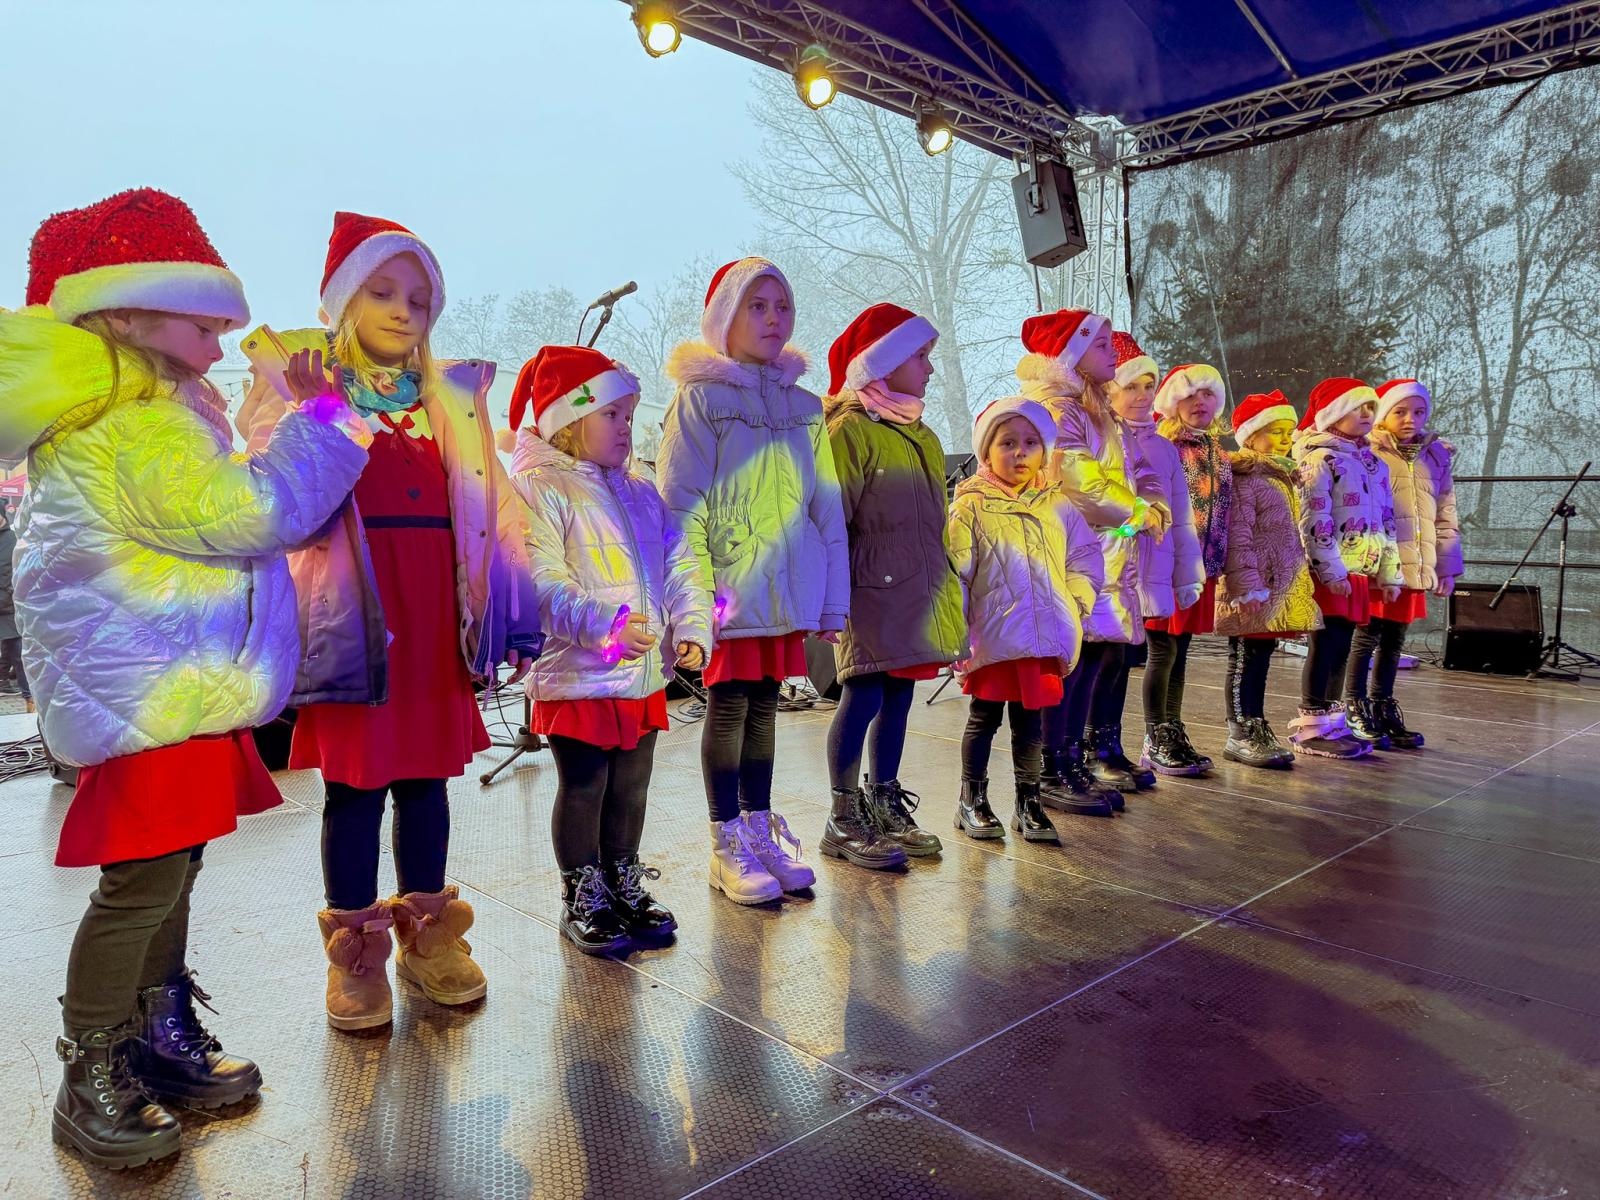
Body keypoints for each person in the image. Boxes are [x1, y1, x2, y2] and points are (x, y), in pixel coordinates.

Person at [0, 189, 368, 1169]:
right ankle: (93, 1071)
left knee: (174, 865)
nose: (222, 336)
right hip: (145, 692)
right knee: (144, 880)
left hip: (167, 684)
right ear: (123, 314)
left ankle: (154, 1036)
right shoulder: (129, 417)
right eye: (201, 318)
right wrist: (323, 413)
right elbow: (247, 513)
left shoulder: (147, 405)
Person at [237, 211, 541, 1030]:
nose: (404, 310)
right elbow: (283, 505)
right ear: (343, 301)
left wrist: (510, 609)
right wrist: (315, 408)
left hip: (435, 614)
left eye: (419, 297)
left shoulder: (450, 401)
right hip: (356, 618)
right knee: (356, 790)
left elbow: (493, 509)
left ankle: (430, 939)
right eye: (383, 291)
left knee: (427, 783)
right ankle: (356, 955)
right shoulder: (295, 389)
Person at [656, 257, 858, 903]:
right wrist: (694, 600)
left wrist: (831, 599)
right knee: (730, 705)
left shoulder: (804, 407)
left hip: (785, 588)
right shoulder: (701, 400)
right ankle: (726, 843)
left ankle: (759, 828)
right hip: (728, 589)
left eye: (783, 307)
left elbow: (825, 506)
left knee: (765, 703)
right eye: (757, 306)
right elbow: (680, 506)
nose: (774, 319)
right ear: (725, 318)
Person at [508, 345, 711, 955]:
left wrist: (693, 625)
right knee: (585, 785)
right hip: (581, 673)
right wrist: (608, 624)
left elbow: (680, 563)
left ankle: (623, 877)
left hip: (642, 675)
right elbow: (539, 584)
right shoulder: (538, 489)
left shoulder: (641, 489)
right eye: (612, 416)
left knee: (632, 786)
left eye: (629, 416)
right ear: (570, 420)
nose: (627, 428)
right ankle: (583, 890)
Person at [821, 304, 965, 862]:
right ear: (882, 365)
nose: (929, 369)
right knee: (863, 695)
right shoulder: (850, 431)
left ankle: (884, 799)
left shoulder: (922, 435)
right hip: (869, 591)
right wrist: (833, 600)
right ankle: (842, 814)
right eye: (920, 357)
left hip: (915, 593)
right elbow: (831, 521)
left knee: (900, 696)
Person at [1017, 310, 1168, 816]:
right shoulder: (1060, 411)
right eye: (1101, 344)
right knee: (1071, 663)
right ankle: (1051, 768)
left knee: (1097, 659)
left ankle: (1075, 757)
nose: (1113, 353)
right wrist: (1138, 512)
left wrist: (1141, 509)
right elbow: (1083, 486)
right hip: (1072, 556)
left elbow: (1124, 476)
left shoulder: (1094, 408)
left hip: (1104, 553)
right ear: (1071, 355)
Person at [948, 397, 1102, 844]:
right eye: (1008, 443)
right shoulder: (970, 507)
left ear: (1044, 451)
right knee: (984, 718)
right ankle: (971, 799)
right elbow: (956, 571)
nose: (1020, 453)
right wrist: (959, 630)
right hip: (995, 636)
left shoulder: (1057, 505)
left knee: (1031, 722)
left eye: (1031, 443)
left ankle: (1028, 801)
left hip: (1045, 635)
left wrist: (1075, 601)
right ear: (986, 452)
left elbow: (1084, 556)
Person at [1089, 332, 1201, 790]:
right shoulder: (1099, 436)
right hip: (1106, 569)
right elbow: (1095, 506)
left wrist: (1186, 575)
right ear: (1110, 389)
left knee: (1119, 660)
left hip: (1148, 571)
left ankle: (1111, 744)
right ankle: (1088, 747)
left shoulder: (1162, 447)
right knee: (1098, 661)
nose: (1142, 395)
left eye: (1149, 386)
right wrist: (1128, 524)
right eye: (1131, 385)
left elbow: (1180, 519)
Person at [1343, 378, 1460, 749]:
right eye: (1400, 411)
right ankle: (1354, 705)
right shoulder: (1370, 453)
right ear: (1383, 413)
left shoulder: (1435, 457)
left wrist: (1446, 566)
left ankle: (1382, 704)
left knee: (1394, 639)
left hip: (1415, 562)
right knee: (1366, 636)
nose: (1411, 419)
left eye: (1419, 411)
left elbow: (1446, 514)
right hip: (1380, 562)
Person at [1290, 378, 1402, 758]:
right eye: (1358, 407)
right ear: (1335, 413)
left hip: (1359, 571)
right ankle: (1311, 722)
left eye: (1371, 407)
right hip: (1330, 572)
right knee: (1326, 644)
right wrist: (1331, 571)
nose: (1368, 415)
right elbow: (1313, 518)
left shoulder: (1373, 463)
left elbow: (1387, 521)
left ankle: (1332, 720)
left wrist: (1389, 573)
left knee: (1343, 646)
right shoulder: (1319, 459)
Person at [1215, 391, 1322, 767]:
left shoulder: (1280, 477)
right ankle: (1241, 729)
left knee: (1261, 655)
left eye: (1288, 432)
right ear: (1251, 435)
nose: (1284, 439)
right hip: (1252, 586)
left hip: (1275, 584)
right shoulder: (1247, 478)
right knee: (1245, 656)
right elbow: (1239, 534)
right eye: (1275, 431)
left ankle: (1257, 723)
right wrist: (1245, 584)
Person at [1139, 363, 1233, 775]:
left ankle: (1173, 727)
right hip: (1169, 565)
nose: (1200, 403)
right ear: (1173, 403)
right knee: (1162, 651)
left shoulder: (1217, 451)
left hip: (1202, 566)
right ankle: (1154, 734)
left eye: (1208, 395)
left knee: (1182, 653)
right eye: (1190, 395)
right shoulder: (1164, 445)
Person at [0, 506, 29, 710]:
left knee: (18, 652)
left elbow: (15, 573)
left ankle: (30, 699)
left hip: (8, 606)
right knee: (9, 649)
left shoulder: (12, 538)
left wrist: (6, 597)